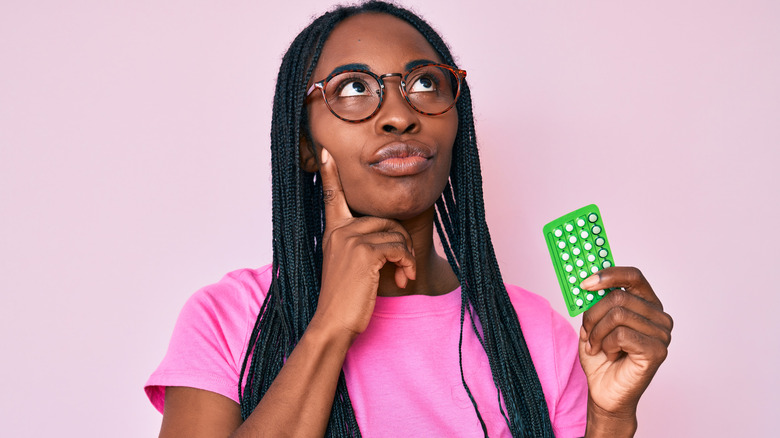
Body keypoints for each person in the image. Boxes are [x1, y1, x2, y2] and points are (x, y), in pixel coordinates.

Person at [145, 1, 673, 437]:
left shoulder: (539, 337)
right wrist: (329, 327)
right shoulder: (228, 320)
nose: (400, 114)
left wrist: (610, 418)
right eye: (353, 88)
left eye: (425, 83)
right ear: (306, 144)